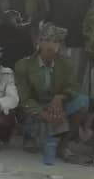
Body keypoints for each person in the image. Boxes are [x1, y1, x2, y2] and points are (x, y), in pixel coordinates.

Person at [15, 23, 90, 161]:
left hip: (56, 107)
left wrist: (60, 97)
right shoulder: (23, 65)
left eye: (55, 41)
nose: (51, 45)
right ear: (38, 42)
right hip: (35, 108)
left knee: (83, 101)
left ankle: (64, 145)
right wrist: (43, 114)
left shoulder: (65, 63)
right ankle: (31, 136)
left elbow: (74, 87)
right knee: (35, 140)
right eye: (47, 40)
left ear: (60, 45)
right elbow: (24, 99)